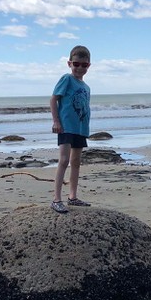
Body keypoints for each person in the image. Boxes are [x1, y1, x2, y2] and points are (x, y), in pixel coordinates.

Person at [50, 46, 92, 213]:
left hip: (80, 128)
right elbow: (54, 100)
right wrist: (56, 121)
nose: (80, 68)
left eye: (84, 65)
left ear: (89, 65)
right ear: (69, 63)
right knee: (64, 160)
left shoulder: (86, 86)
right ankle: (56, 199)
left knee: (76, 162)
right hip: (66, 126)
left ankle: (72, 197)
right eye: (76, 64)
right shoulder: (66, 79)